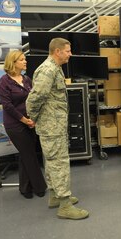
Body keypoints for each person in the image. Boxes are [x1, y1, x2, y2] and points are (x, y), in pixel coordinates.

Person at [26, 38, 89, 220]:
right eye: (67, 51)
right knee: (59, 162)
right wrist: (33, 117)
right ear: (57, 51)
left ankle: (54, 195)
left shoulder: (55, 68)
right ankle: (65, 205)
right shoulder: (48, 70)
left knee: (52, 160)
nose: (70, 54)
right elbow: (35, 97)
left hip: (53, 124)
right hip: (51, 125)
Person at [0, 50, 47, 199]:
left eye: (25, 59)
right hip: (15, 124)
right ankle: (40, 187)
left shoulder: (26, 79)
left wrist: (33, 119)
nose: (25, 62)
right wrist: (24, 120)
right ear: (13, 63)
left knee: (25, 155)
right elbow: (7, 105)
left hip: (29, 122)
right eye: (22, 60)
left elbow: (32, 100)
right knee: (29, 155)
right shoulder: (4, 81)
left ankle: (25, 188)